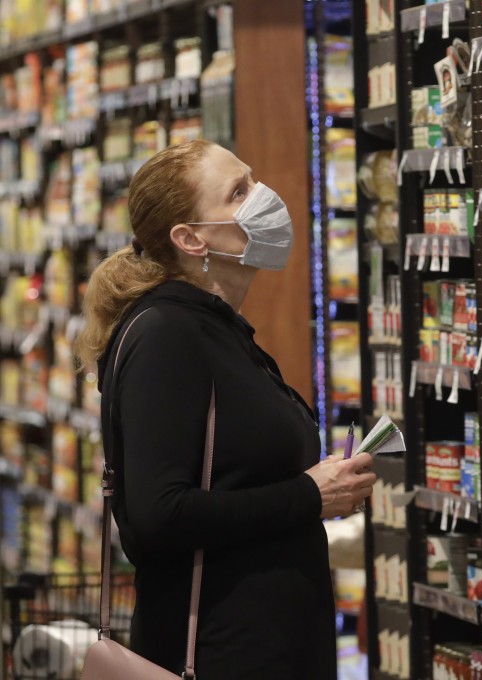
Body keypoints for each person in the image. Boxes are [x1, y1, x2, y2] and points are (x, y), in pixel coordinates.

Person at [73, 139, 376, 680]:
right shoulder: (167, 334)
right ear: (191, 239)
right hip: (216, 653)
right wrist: (310, 495)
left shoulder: (217, 327)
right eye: (239, 192)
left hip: (268, 646)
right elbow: (158, 515)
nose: (264, 197)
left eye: (252, 179)